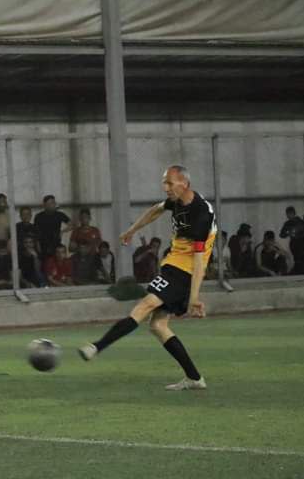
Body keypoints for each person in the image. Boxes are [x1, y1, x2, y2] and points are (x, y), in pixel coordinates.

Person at [79, 165, 216, 391]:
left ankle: (96, 347)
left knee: (145, 305)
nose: (165, 188)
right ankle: (194, 378)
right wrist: (132, 230)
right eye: (164, 183)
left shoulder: (201, 213)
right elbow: (156, 210)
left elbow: (200, 259)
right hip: (173, 264)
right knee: (158, 325)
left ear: (184, 183)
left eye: (169, 183)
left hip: (186, 270)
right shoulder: (177, 201)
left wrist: (194, 298)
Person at [34, 195, 71, 261]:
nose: (52, 205)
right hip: (43, 246)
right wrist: (38, 247)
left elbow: (72, 224)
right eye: (50, 203)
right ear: (45, 205)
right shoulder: (39, 216)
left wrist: (62, 231)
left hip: (56, 245)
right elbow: (36, 233)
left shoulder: (59, 214)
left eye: (53, 203)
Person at [279, 206, 304, 275]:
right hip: (296, 244)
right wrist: (288, 233)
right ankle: (300, 272)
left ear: (293, 213)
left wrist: (295, 234)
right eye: (288, 214)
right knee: (298, 259)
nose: (288, 215)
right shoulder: (288, 223)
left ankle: (301, 272)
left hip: (301, 243)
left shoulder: (300, 222)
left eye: (290, 213)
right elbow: (282, 235)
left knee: (301, 260)